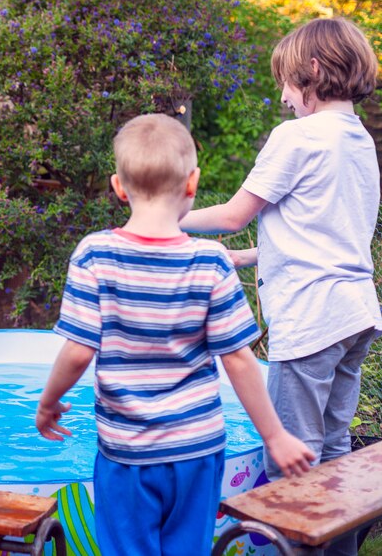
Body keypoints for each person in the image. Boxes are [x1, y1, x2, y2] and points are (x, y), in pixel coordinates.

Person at [36, 114, 313, 555]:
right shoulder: (211, 262)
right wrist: (274, 435)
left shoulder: (95, 255)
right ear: (192, 183)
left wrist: (49, 403)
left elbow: (77, 351)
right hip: (198, 451)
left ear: (118, 187)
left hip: (126, 455)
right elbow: (239, 359)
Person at [179, 17, 382, 555]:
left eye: (287, 84)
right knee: (335, 449)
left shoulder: (297, 135)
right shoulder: (359, 139)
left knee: (291, 455)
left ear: (312, 71)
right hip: (355, 313)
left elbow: (233, 214)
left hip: (312, 318)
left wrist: (167, 216)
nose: (284, 98)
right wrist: (243, 257)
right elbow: (320, 232)